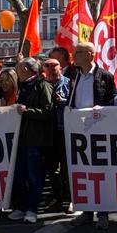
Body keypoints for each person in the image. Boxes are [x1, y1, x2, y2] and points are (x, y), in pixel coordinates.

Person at [66, 42, 116, 229]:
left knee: (100, 173)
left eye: (77, 53)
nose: (74, 56)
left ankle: (102, 213)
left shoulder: (105, 76)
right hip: (78, 131)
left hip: (99, 130)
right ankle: (87, 211)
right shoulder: (73, 74)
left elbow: (114, 98)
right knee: (82, 171)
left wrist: (103, 107)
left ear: (89, 55)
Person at [8, 58, 55, 224]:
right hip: (21, 137)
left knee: (34, 175)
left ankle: (32, 209)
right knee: (19, 174)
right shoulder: (21, 87)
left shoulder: (43, 86)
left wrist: (26, 111)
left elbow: (48, 112)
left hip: (36, 138)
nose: (16, 71)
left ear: (26, 70)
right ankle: (20, 207)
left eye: (19, 68)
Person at [42, 57, 70, 213]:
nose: (51, 69)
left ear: (61, 67)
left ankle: (70, 198)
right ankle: (57, 198)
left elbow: (74, 103)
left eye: (54, 65)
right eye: (47, 66)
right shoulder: (42, 84)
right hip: (48, 131)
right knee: (52, 168)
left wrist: (62, 101)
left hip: (64, 129)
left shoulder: (69, 83)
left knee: (67, 167)